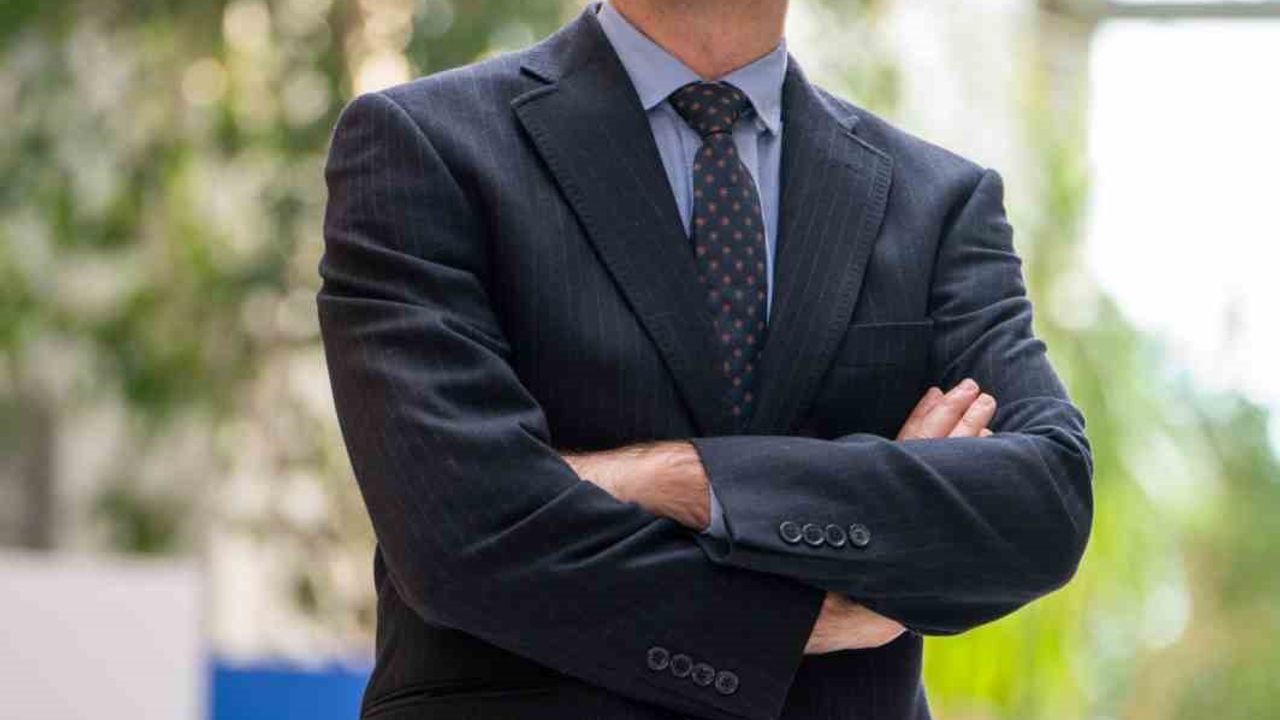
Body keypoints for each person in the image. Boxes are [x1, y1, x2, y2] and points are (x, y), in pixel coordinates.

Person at [316, 1, 1094, 718]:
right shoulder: (423, 148)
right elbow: (463, 535)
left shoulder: (939, 202)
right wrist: (798, 618)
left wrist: (682, 479)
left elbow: (1045, 502)